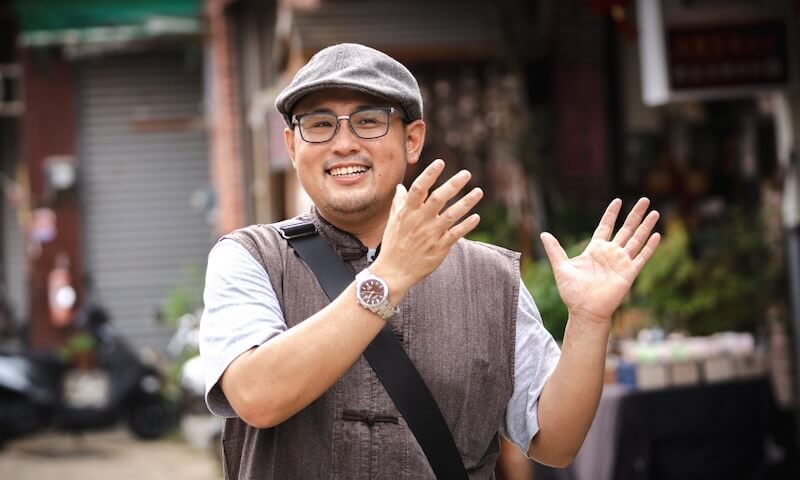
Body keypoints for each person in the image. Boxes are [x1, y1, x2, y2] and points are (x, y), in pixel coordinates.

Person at [199, 43, 660, 479]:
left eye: (369, 121)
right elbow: (257, 397)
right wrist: (388, 276)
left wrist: (589, 320)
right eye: (319, 124)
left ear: (413, 139)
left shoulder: (490, 279)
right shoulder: (249, 258)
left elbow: (556, 443)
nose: (343, 144)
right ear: (293, 145)